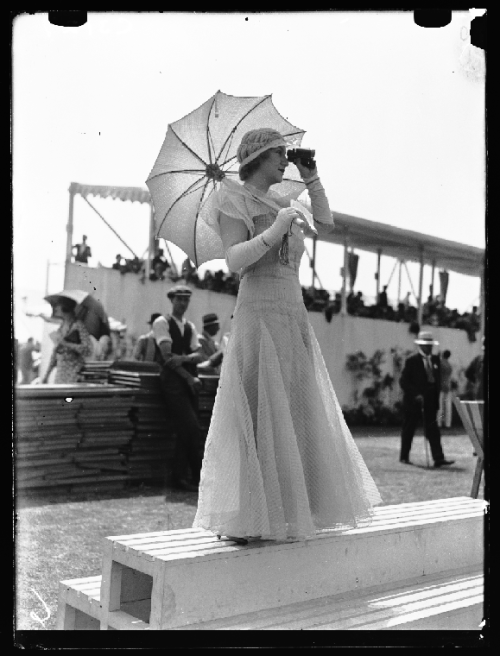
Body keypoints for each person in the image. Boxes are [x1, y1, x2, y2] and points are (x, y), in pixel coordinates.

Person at [192, 128, 382, 544]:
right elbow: (234, 260)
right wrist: (276, 228)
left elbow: (327, 224)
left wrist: (312, 178)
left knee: (294, 404)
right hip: (258, 308)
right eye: (278, 154)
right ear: (257, 157)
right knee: (259, 404)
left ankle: (289, 509)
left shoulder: (285, 202)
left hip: (290, 308)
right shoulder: (231, 197)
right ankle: (250, 517)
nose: (285, 160)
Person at [151, 285, 207, 492]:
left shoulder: (189, 326)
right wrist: (189, 376)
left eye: (186, 300)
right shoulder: (161, 323)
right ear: (171, 300)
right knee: (191, 427)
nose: (183, 303)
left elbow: (200, 355)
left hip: (189, 380)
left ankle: (181, 478)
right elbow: (166, 358)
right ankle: (194, 477)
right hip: (173, 382)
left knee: (188, 429)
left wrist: (182, 359)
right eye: (179, 299)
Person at [399, 331, 454, 467]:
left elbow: (436, 379)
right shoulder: (411, 360)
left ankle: (438, 458)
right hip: (414, 401)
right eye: (426, 346)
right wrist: (415, 394)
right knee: (409, 428)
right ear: (420, 346)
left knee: (433, 429)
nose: (429, 348)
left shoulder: (435, 360)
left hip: (430, 400)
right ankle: (404, 456)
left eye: (430, 345)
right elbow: (403, 381)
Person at [41, 298, 93, 384]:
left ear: (65, 308)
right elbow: (55, 353)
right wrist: (47, 374)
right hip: (61, 373)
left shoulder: (78, 326)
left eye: (58, 306)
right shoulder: (61, 327)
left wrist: (67, 344)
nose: (55, 309)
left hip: (74, 372)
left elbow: (87, 349)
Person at [438, 349, 453, 429]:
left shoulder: (440, 363)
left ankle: (439, 423)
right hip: (448, 386)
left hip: (441, 386)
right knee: (447, 406)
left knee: (440, 406)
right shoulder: (449, 365)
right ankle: (448, 424)